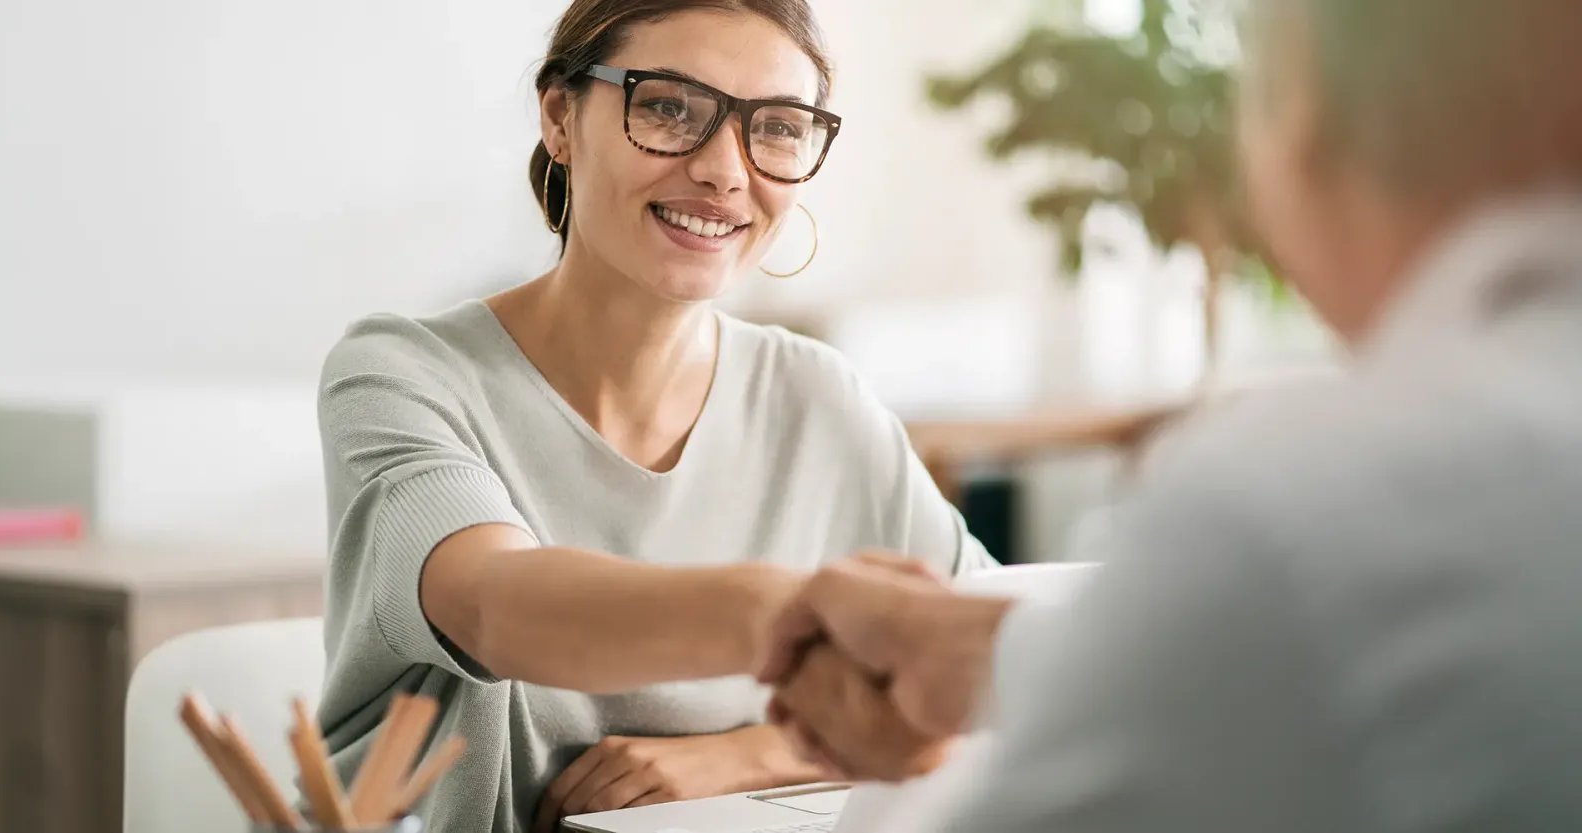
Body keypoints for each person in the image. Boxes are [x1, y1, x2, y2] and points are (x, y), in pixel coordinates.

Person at [761, 0, 1582, 831]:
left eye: (781, 127)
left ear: (1299, 114)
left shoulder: (1298, 504)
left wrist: (897, 767)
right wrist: (1001, 651)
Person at [312, 1, 994, 831]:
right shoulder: (403, 373)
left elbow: (990, 676)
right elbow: (497, 606)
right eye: (669, 107)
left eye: (776, 128)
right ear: (561, 116)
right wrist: (788, 615)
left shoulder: (819, 398)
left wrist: (756, 751)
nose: (724, 170)